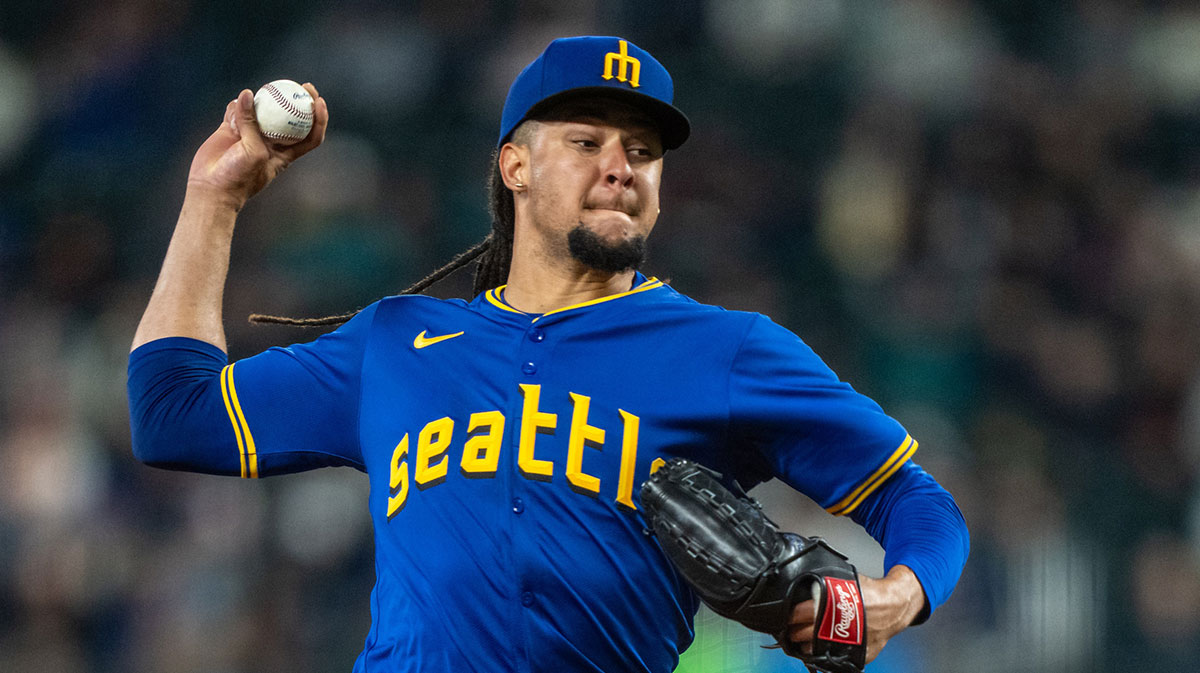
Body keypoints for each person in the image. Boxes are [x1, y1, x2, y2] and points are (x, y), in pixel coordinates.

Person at [128, 35, 968, 673]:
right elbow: (172, 416)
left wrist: (890, 600)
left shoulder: (727, 350)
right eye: (587, 141)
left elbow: (918, 504)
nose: (620, 168)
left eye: (642, 152)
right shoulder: (396, 344)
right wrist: (215, 198)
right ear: (515, 166)